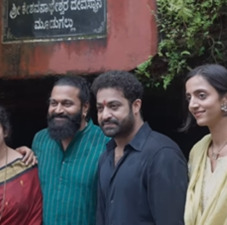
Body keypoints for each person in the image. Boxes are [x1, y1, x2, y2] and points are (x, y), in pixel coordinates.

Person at [92, 70, 188, 225]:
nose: (105, 115)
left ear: (136, 106)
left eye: (114, 106)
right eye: (100, 108)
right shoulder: (106, 157)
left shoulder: (162, 154)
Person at [17, 76, 110, 225]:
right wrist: (16, 155)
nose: (58, 110)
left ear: (85, 107)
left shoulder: (106, 143)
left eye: (67, 104)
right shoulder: (40, 140)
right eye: (53, 103)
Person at [183, 64, 227, 225]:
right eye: (189, 97)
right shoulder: (198, 150)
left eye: (201, 95)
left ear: (225, 98)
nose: (192, 105)